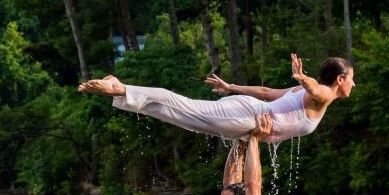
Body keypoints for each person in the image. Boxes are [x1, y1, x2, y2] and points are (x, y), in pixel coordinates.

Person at [77, 53, 355, 143]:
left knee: (180, 116)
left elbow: (266, 92)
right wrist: (302, 77)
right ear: (339, 79)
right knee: (182, 106)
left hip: (247, 113)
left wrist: (230, 85)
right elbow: (317, 90)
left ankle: (123, 93)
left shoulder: (306, 94)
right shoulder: (323, 94)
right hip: (247, 116)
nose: (353, 84)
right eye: (351, 78)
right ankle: (120, 88)